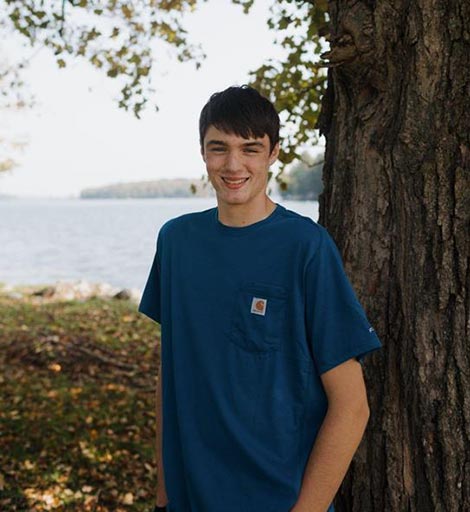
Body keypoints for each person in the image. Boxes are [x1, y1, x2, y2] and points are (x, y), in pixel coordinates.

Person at [139, 85, 383, 512]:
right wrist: (164, 492)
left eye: (250, 149)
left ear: (273, 154)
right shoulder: (176, 242)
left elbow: (352, 407)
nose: (234, 165)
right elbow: (171, 373)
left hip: (275, 498)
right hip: (189, 499)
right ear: (202, 153)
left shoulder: (306, 248)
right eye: (219, 149)